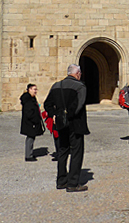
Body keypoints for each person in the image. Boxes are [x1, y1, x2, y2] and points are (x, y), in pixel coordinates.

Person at [44, 64, 90, 192]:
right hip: (75, 124)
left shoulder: (56, 86)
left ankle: (61, 181)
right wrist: (69, 115)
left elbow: (47, 104)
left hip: (60, 123)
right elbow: (78, 105)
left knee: (62, 151)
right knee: (76, 152)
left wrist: (55, 115)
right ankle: (73, 183)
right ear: (77, 74)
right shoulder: (80, 87)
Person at [20, 83, 45, 162]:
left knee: (31, 138)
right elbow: (29, 112)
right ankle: (28, 155)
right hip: (30, 123)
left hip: (31, 122)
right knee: (30, 138)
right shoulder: (28, 99)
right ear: (29, 89)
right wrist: (34, 120)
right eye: (34, 89)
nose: (36, 91)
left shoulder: (31, 98)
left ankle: (29, 153)